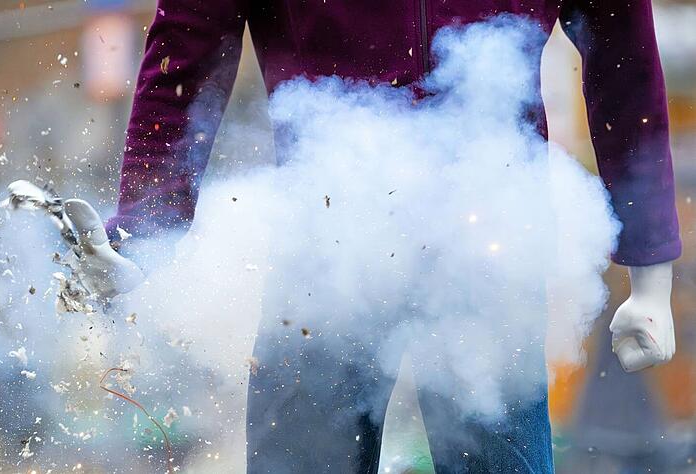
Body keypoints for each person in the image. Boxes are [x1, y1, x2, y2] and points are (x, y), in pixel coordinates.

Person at [62, 1, 681, 472]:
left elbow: (623, 55)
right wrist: (146, 228)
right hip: (325, 259)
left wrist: (651, 267)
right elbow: (188, 45)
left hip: (489, 252)